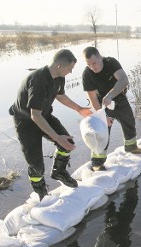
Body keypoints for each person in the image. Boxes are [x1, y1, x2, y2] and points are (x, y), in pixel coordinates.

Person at [9, 49, 92, 200]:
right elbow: (35, 115)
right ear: (59, 66)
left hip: (44, 115)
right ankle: (40, 190)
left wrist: (78, 108)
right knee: (37, 165)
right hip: (25, 121)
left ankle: (59, 171)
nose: (71, 72)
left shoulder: (59, 77)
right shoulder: (38, 80)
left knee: (67, 141)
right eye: (70, 68)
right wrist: (56, 137)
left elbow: (60, 95)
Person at [82, 46, 141, 171]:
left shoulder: (111, 63)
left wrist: (110, 95)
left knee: (129, 121)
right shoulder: (87, 74)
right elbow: (93, 98)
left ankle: (131, 146)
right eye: (89, 64)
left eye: (94, 63)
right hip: (101, 104)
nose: (92, 67)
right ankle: (97, 163)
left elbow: (123, 80)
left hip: (118, 97)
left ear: (100, 57)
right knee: (102, 132)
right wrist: (102, 115)